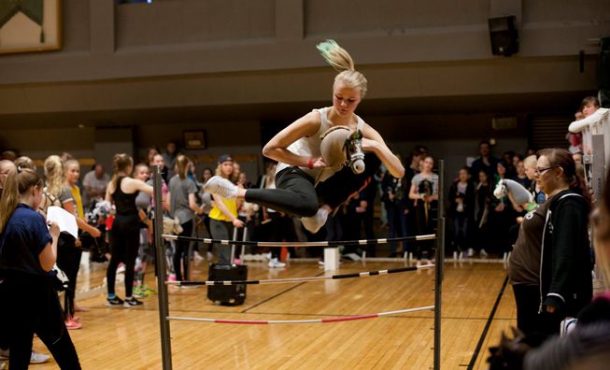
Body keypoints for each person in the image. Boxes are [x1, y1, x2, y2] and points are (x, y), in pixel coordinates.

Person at [204, 40, 404, 233]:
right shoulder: (316, 119)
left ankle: (324, 210)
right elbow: (270, 149)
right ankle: (236, 191)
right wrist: (308, 161)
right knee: (307, 205)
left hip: (321, 182)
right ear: (332, 92)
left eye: (350, 100)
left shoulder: (362, 127)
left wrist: (377, 147)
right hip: (294, 171)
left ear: (360, 99)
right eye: (338, 98)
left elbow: (399, 172)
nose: (343, 104)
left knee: (372, 156)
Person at [0, 167, 81, 369]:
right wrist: (53, 235)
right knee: (64, 351)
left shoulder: (6, 215)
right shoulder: (32, 218)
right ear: (36, 190)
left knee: (19, 353)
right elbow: (47, 263)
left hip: (11, 293)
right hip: (37, 294)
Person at [535, 148, 592, 337]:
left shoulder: (569, 204)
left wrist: (556, 293)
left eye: (540, 170)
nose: (537, 176)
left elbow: (565, 251)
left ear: (558, 172)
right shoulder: (558, 202)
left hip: (569, 298)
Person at [105, 154, 154, 307]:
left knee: (114, 260)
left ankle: (111, 296)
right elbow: (153, 190)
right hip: (131, 223)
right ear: (129, 167)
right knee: (130, 260)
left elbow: (107, 206)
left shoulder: (111, 183)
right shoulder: (131, 181)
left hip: (117, 223)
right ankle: (128, 297)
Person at [168, 154, 205, 279]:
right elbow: (192, 204)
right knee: (186, 250)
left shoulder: (172, 181)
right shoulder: (189, 182)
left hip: (174, 219)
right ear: (187, 165)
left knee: (177, 250)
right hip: (186, 219)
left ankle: (178, 278)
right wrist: (200, 211)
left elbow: (168, 202)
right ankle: (186, 280)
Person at [207, 155, 243, 265]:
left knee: (231, 254)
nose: (229, 167)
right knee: (225, 254)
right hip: (218, 221)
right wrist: (234, 219)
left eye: (230, 165)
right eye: (225, 164)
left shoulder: (232, 183)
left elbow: (235, 206)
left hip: (230, 221)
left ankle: (229, 280)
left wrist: (240, 195)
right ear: (220, 166)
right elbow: (220, 204)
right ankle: (222, 280)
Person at [409, 156, 439, 265]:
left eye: (430, 163)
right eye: (426, 162)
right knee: (420, 231)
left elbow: (439, 194)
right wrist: (421, 196)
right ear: (423, 164)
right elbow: (411, 194)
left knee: (430, 230)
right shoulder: (417, 178)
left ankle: (430, 257)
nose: (428, 165)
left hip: (432, 206)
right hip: (420, 206)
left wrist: (431, 197)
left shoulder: (436, 178)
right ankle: (419, 257)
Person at [447, 167, 475, 260]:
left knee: (465, 230)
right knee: (456, 230)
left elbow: (471, 199)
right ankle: (456, 248)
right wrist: (456, 200)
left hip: (466, 212)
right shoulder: (454, 185)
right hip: (456, 211)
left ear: (468, 175)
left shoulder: (471, 185)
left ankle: (465, 248)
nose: (462, 175)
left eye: (464, 173)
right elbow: (450, 197)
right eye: (461, 173)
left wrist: (463, 199)